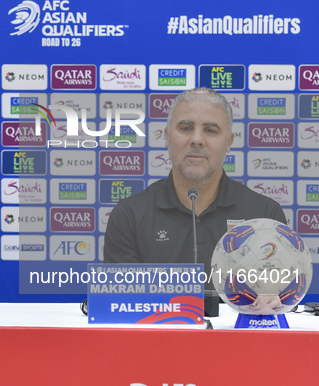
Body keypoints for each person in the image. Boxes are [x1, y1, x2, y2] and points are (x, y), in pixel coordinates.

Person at [104, 87, 286, 279]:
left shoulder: (265, 215)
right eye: (185, 128)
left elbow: (277, 293)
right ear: (166, 137)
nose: (197, 140)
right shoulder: (129, 215)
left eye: (210, 130)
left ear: (229, 143)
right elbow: (121, 302)